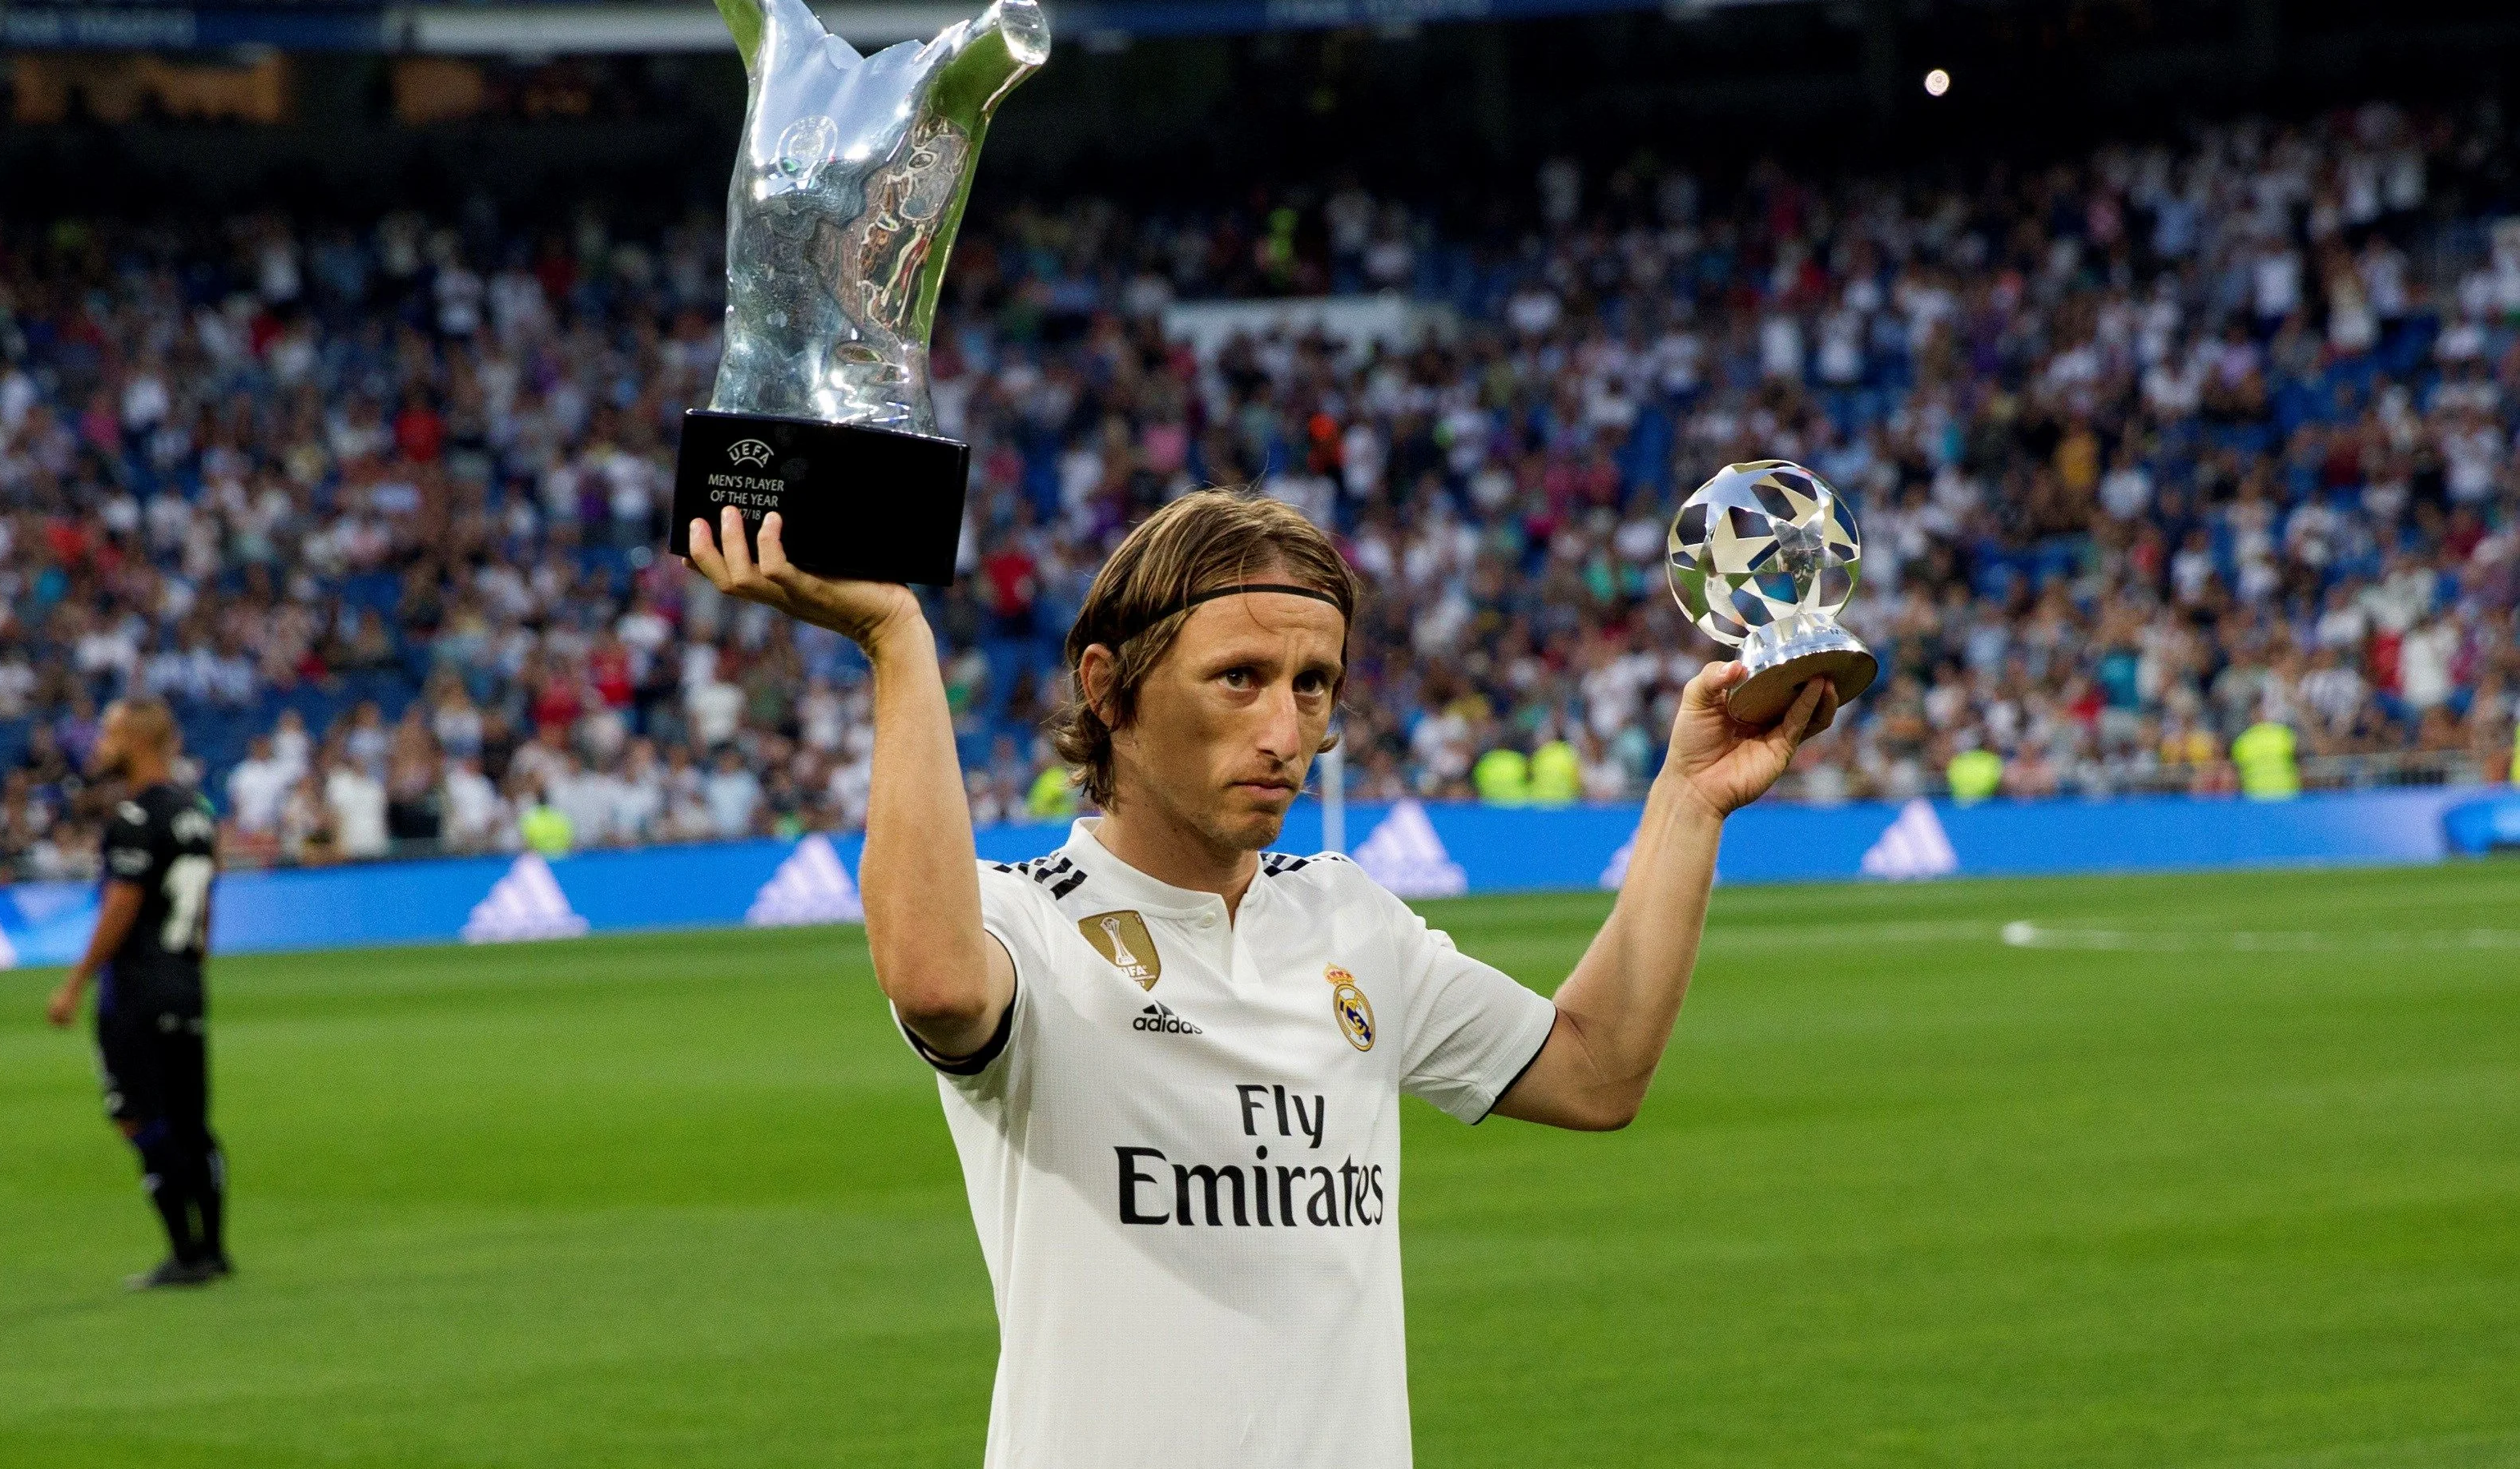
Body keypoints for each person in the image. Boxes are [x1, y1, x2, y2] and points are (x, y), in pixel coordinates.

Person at [686, 489, 1833, 1469]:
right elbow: (935, 982)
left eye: (1314, 683)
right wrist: (899, 641)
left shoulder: (1349, 918)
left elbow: (1597, 1068)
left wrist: (1688, 800)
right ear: (1109, 685)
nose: (1287, 728)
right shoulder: (1022, 917)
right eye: (1240, 677)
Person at [45, 698, 230, 1290]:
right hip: (185, 984)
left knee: (139, 1118)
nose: (100, 742)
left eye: (110, 731)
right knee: (192, 1122)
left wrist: (76, 982)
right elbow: (206, 907)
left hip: (136, 992)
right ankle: (216, 1249)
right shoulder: (196, 813)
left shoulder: (133, 817)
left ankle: (185, 1255)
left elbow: (121, 904)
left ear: (138, 740)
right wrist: (193, 956)